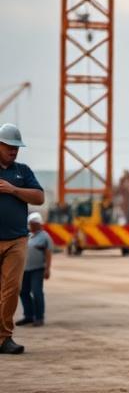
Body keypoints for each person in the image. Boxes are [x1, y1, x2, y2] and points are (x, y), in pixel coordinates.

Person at [0, 123, 45, 355]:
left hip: (17, 240)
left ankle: (4, 338)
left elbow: (39, 197)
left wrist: (13, 189)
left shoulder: (23, 172)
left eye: (17, 147)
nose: (14, 151)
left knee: (11, 289)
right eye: (9, 146)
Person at [17, 212, 52, 327]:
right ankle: (29, 316)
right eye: (30, 224)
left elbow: (48, 253)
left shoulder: (45, 236)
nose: (30, 225)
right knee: (23, 292)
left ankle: (39, 317)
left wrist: (47, 269)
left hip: (37, 269)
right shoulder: (27, 236)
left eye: (32, 223)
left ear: (38, 224)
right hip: (24, 269)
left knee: (37, 292)